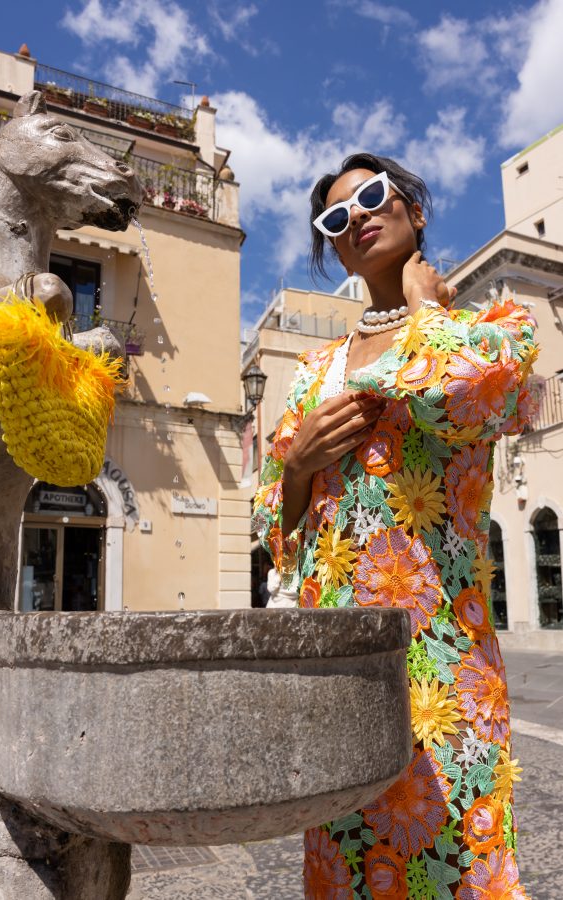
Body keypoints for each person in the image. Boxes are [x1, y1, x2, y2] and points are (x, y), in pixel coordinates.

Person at [253, 153, 537, 898]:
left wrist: (426, 308)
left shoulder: (490, 329)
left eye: (374, 197)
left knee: (454, 864)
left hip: (446, 670)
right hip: (340, 670)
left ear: (412, 207)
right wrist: (296, 466)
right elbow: (276, 533)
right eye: (336, 218)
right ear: (333, 247)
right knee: (350, 865)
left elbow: (477, 396)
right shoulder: (313, 375)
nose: (358, 217)